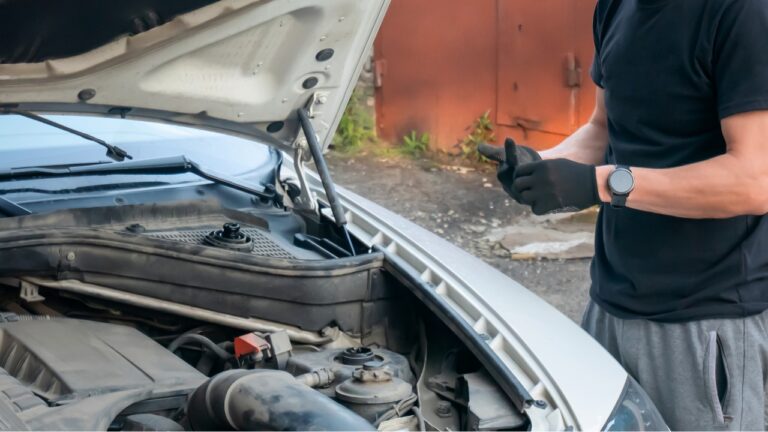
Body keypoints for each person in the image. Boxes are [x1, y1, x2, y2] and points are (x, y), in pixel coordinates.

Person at [486, 0, 768, 430]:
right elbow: (603, 130)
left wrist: (602, 184)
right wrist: (538, 166)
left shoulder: (740, 12)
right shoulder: (616, 7)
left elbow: (754, 179)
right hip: (609, 305)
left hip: (704, 320)